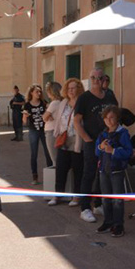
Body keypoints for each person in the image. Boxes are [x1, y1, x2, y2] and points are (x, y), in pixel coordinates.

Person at [73, 67, 118, 223]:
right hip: (92, 142)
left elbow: (116, 115)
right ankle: (85, 208)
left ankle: (98, 204)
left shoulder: (110, 96)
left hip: (108, 141)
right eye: (93, 78)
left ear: (105, 79)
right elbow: (76, 121)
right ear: (90, 80)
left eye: (100, 78)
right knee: (89, 173)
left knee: (103, 174)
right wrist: (87, 139)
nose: (97, 81)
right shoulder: (84, 98)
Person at [95, 105, 132, 238]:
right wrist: (101, 147)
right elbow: (96, 152)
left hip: (116, 170)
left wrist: (114, 151)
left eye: (112, 117)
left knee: (117, 199)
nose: (109, 120)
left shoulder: (123, 133)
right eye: (106, 118)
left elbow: (128, 152)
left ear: (117, 118)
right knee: (106, 198)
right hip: (103, 170)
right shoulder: (102, 134)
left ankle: (118, 225)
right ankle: (108, 222)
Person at [49, 78, 84, 207]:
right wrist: (56, 132)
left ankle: (76, 197)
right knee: (60, 169)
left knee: (77, 170)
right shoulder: (63, 102)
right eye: (69, 88)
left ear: (78, 89)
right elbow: (58, 119)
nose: (71, 90)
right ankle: (57, 195)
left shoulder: (82, 103)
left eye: (73, 88)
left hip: (77, 140)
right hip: (64, 139)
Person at [22, 84, 52, 184]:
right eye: (36, 92)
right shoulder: (27, 105)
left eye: (40, 92)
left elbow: (50, 115)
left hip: (44, 130)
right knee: (34, 154)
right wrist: (25, 116)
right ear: (31, 93)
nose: (39, 93)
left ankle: (50, 175)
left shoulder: (44, 103)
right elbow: (24, 122)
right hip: (33, 131)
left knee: (48, 152)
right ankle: (35, 177)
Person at [42, 82, 63, 162]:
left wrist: (47, 115)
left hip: (51, 132)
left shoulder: (54, 103)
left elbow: (44, 117)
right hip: (59, 131)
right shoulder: (62, 102)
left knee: (54, 158)